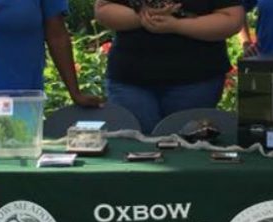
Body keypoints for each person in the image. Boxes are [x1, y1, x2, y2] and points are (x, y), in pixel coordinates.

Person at [94, 0, 244, 133]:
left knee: (188, 150)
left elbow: (232, 18)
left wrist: (177, 25)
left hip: (196, 80)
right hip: (130, 80)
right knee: (137, 149)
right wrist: (145, 16)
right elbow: (103, 9)